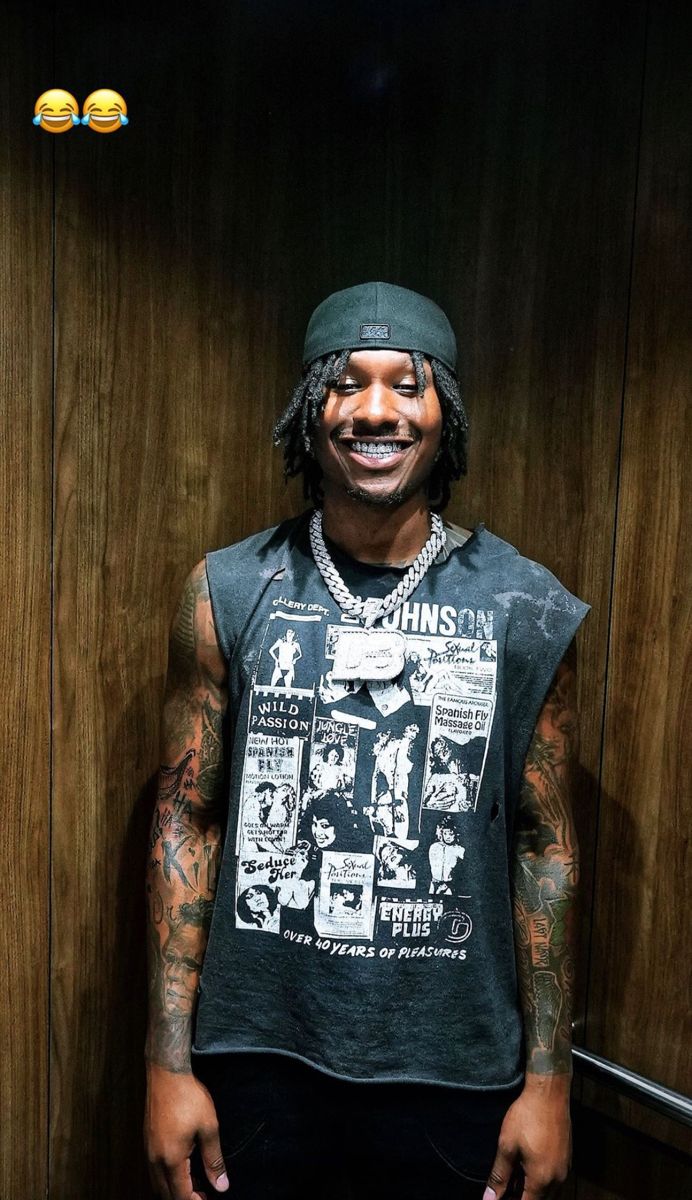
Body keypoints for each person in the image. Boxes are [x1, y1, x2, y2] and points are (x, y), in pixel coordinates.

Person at [144, 281, 589, 1200]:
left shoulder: (525, 605)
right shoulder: (228, 590)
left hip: (456, 1081)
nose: (376, 410)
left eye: (408, 384)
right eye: (347, 383)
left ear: (446, 413)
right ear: (311, 412)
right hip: (258, 1067)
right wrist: (166, 1062)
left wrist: (550, 1082)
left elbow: (545, 848)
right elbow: (186, 821)